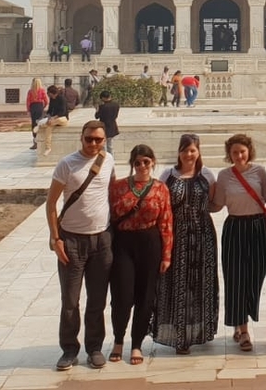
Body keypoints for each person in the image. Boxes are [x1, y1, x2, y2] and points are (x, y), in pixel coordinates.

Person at [46, 120, 116, 371]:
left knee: (97, 299)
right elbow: (51, 204)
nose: (93, 144)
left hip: (101, 240)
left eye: (99, 139)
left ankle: (94, 347)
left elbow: (111, 195)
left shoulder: (107, 161)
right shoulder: (67, 164)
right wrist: (56, 239)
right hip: (72, 240)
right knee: (70, 301)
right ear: (81, 137)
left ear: (104, 140)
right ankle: (69, 349)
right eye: (89, 139)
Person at [152, 133, 219, 354]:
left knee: (201, 283)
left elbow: (214, 203)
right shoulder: (168, 175)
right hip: (176, 235)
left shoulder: (206, 174)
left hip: (202, 234)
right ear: (179, 152)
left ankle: (201, 331)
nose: (189, 154)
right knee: (177, 282)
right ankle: (180, 336)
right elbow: (160, 205)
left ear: (198, 152)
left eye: (193, 150)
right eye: (185, 150)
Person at [108, 144, 173, 366]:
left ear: (153, 162)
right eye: (138, 162)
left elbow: (166, 222)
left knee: (146, 296)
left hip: (150, 242)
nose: (142, 166)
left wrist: (166, 255)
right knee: (122, 296)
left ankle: (136, 343)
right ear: (132, 164)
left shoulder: (160, 188)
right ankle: (118, 340)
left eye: (146, 161)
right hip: (124, 244)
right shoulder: (118, 187)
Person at [211, 133, 266, 352]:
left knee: (255, 276)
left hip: (257, 228)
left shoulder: (260, 172)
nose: (238, 156)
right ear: (229, 154)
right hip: (234, 228)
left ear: (249, 152)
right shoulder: (224, 176)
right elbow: (217, 204)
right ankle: (243, 329)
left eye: (242, 151)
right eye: (234, 152)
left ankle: (242, 318)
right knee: (235, 279)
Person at [38, 84, 71, 155]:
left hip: (62, 119)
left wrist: (53, 118)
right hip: (53, 121)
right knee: (48, 128)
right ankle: (48, 148)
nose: (48, 95)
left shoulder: (62, 99)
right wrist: (46, 116)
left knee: (55, 121)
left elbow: (63, 112)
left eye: (49, 94)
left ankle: (40, 125)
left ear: (53, 93)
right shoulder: (52, 99)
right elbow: (50, 110)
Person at [27, 78, 48, 150]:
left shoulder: (30, 91)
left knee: (34, 124)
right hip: (39, 106)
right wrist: (43, 106)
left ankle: (35, 141)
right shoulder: (42, 90)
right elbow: (46, 100)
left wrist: (28, 110)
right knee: (39, 123)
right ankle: (40, 140)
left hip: (33, 107)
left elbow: (28, 102)